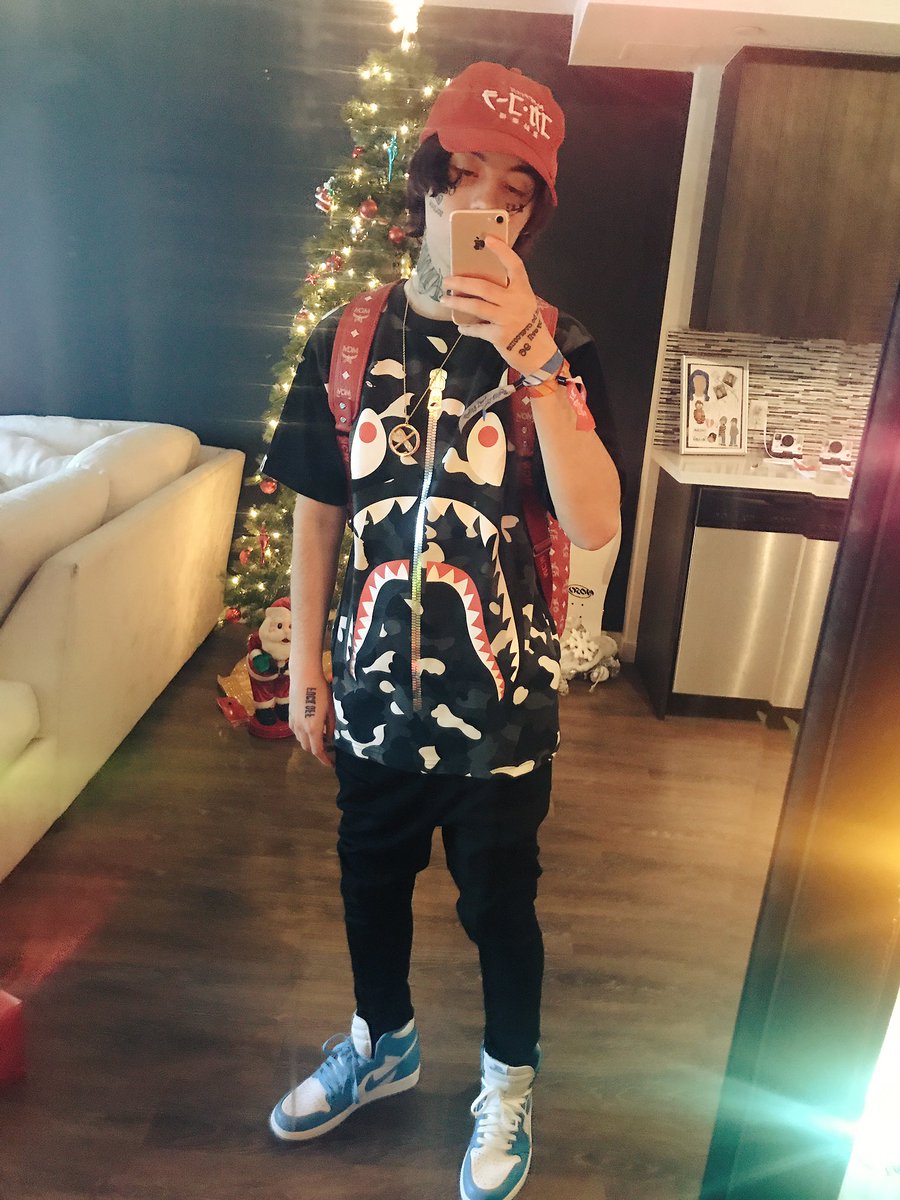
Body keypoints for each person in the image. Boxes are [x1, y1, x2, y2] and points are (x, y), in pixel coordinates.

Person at [262, 61, 622, 1200]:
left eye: (512, 193)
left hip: (500, 707)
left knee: (499, 905)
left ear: (531, 217)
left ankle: (509, 1079)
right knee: (367, 878)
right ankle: (383, 1042)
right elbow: (318, 511)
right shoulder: (347, 336)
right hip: (371, 691)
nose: (482, 208)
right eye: (462, 177)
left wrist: (539, 365)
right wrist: (307, 670)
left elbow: (597, 523)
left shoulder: (560, 345)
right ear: (422, 184)